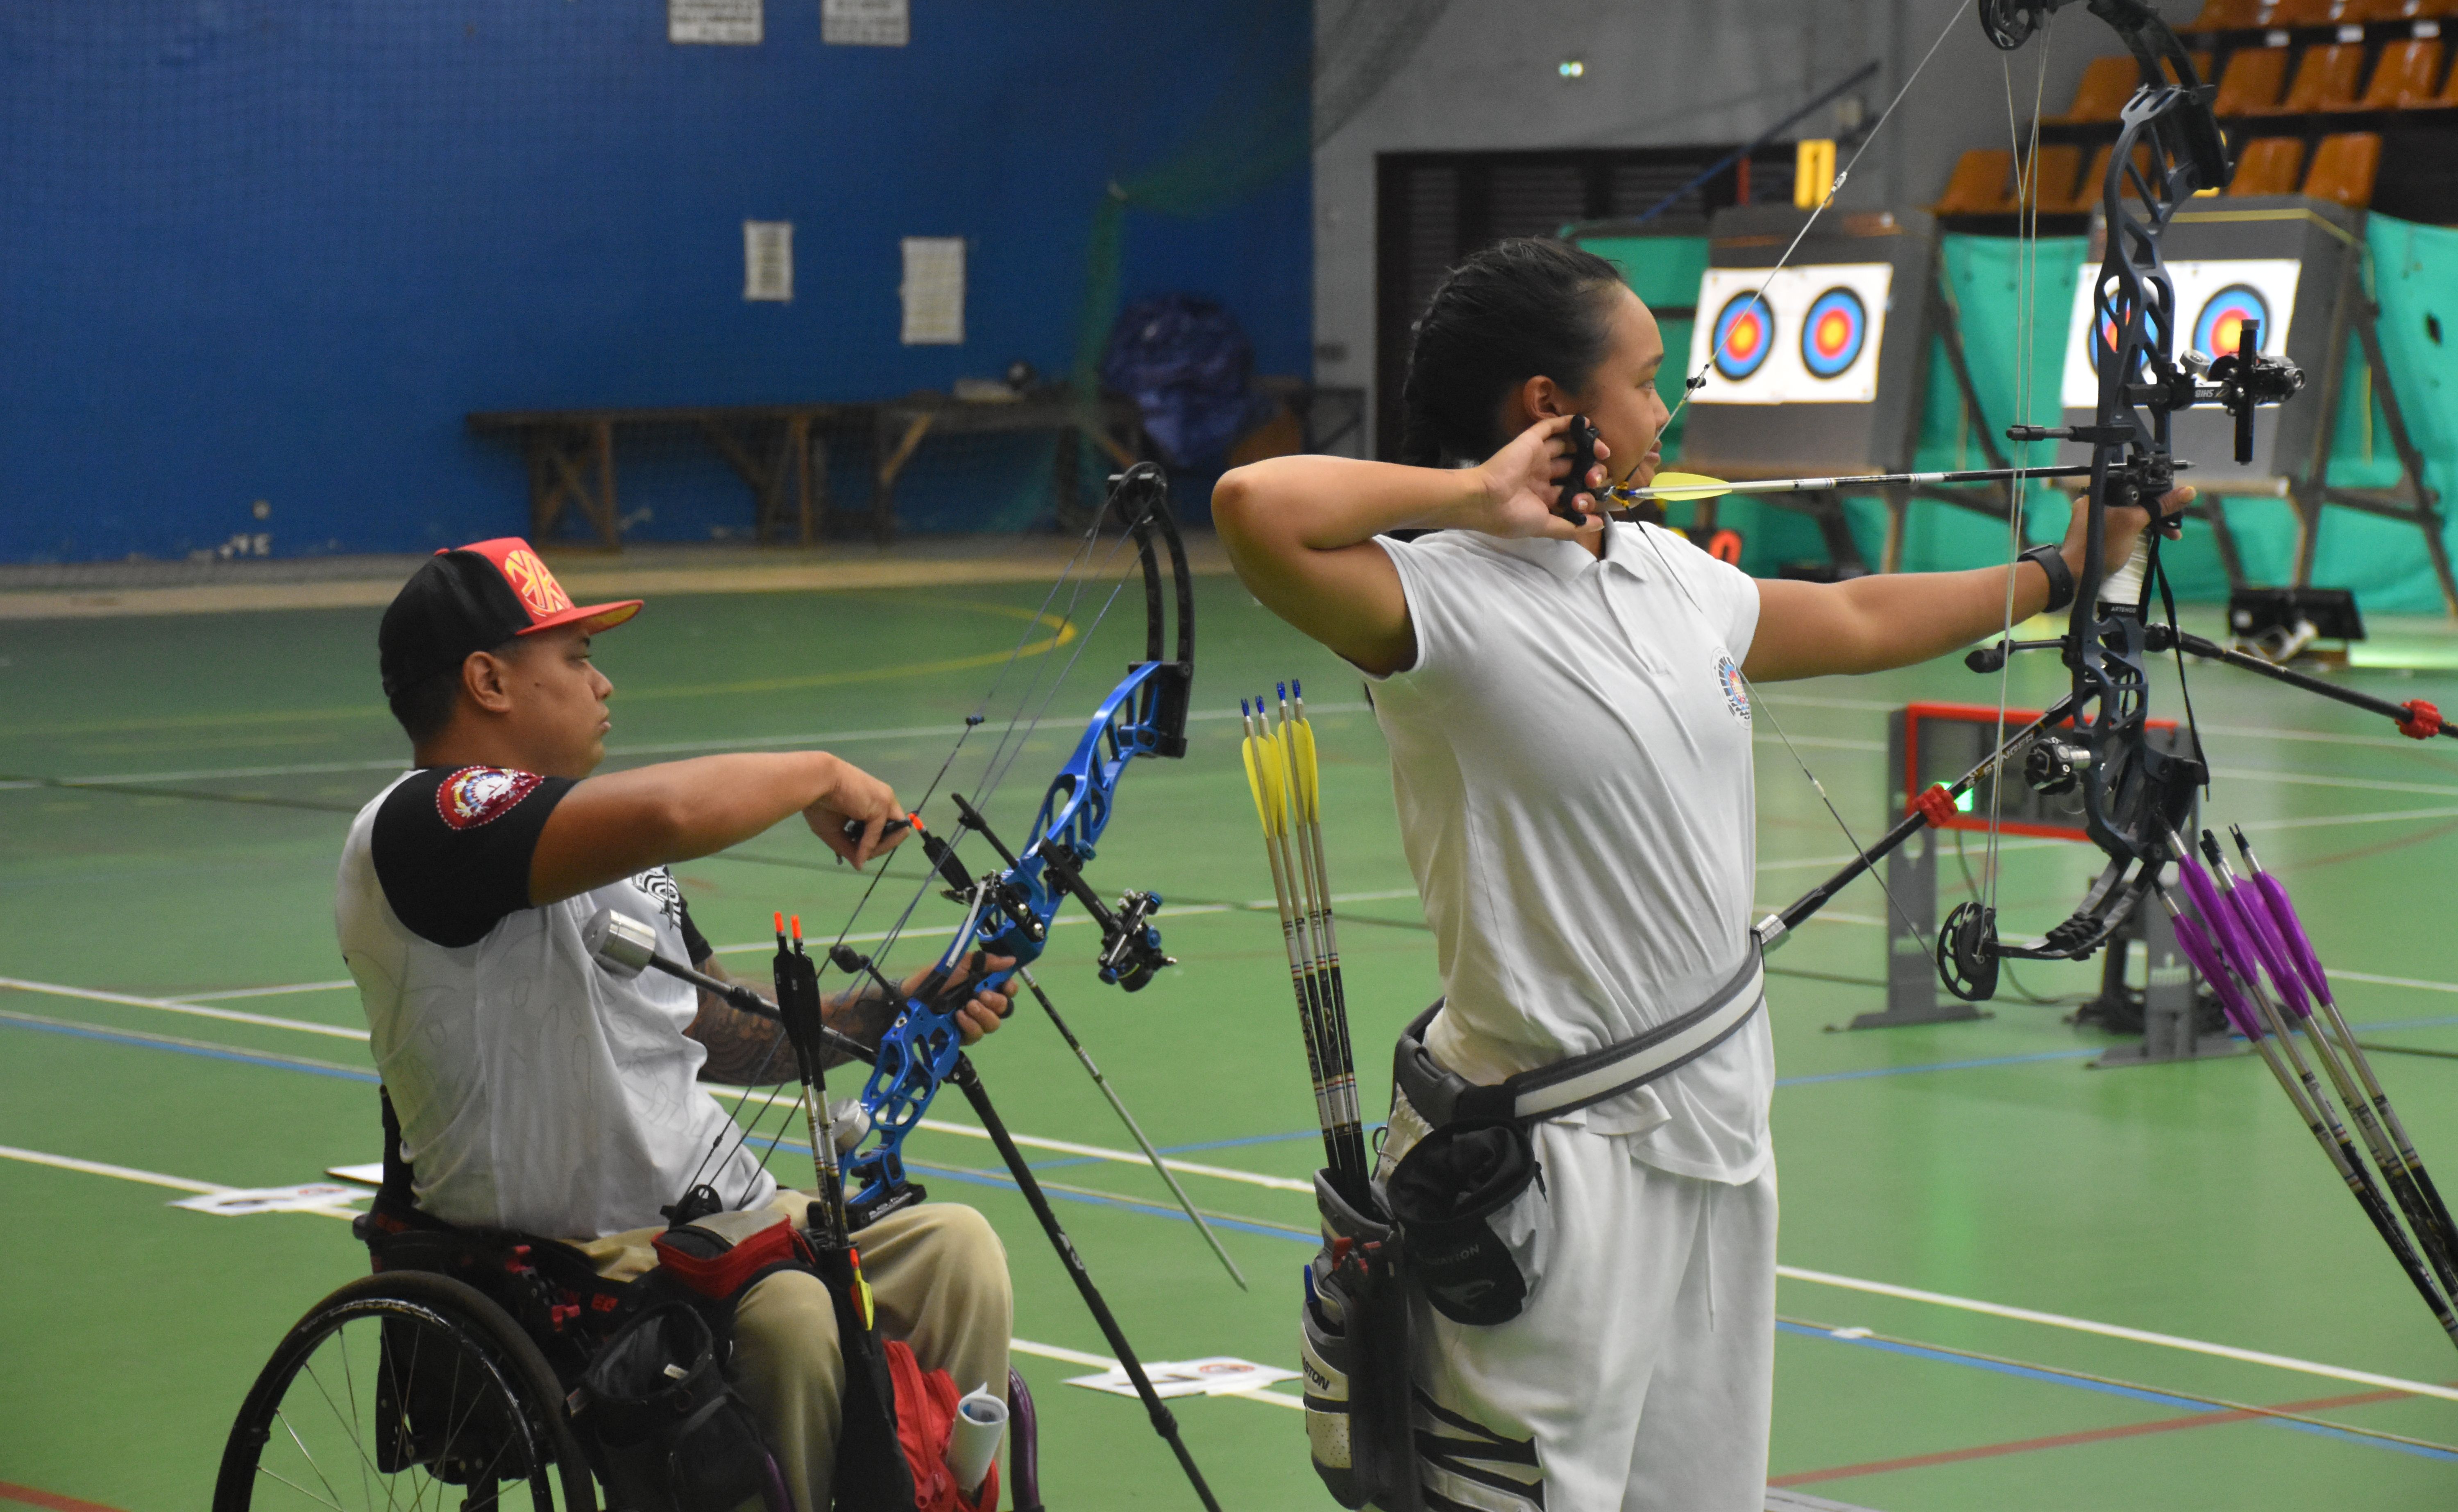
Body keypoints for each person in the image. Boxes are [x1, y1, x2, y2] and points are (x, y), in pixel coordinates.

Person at [1212, 237, 2189, 1511]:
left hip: (1721, 1131)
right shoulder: (1431, 600)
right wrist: (1477, 497)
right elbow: (1251, 508)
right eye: (1645, 377)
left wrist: (2066, 569)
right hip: (1557, 1164)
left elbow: (1849, 621)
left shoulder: (1663, 570)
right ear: (1551, 414)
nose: (1668, 406)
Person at [335, 536, 1016, 1512]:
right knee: (790, 1316)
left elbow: (718, 1028)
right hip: (568, 1264)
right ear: (487, 679)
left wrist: (902, 1007)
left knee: (957, 1252)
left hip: (725, 1223)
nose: (603, 683)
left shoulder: (609, 855)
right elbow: (663, 808)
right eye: (573, 659)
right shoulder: (423, 820)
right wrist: (819, 772)